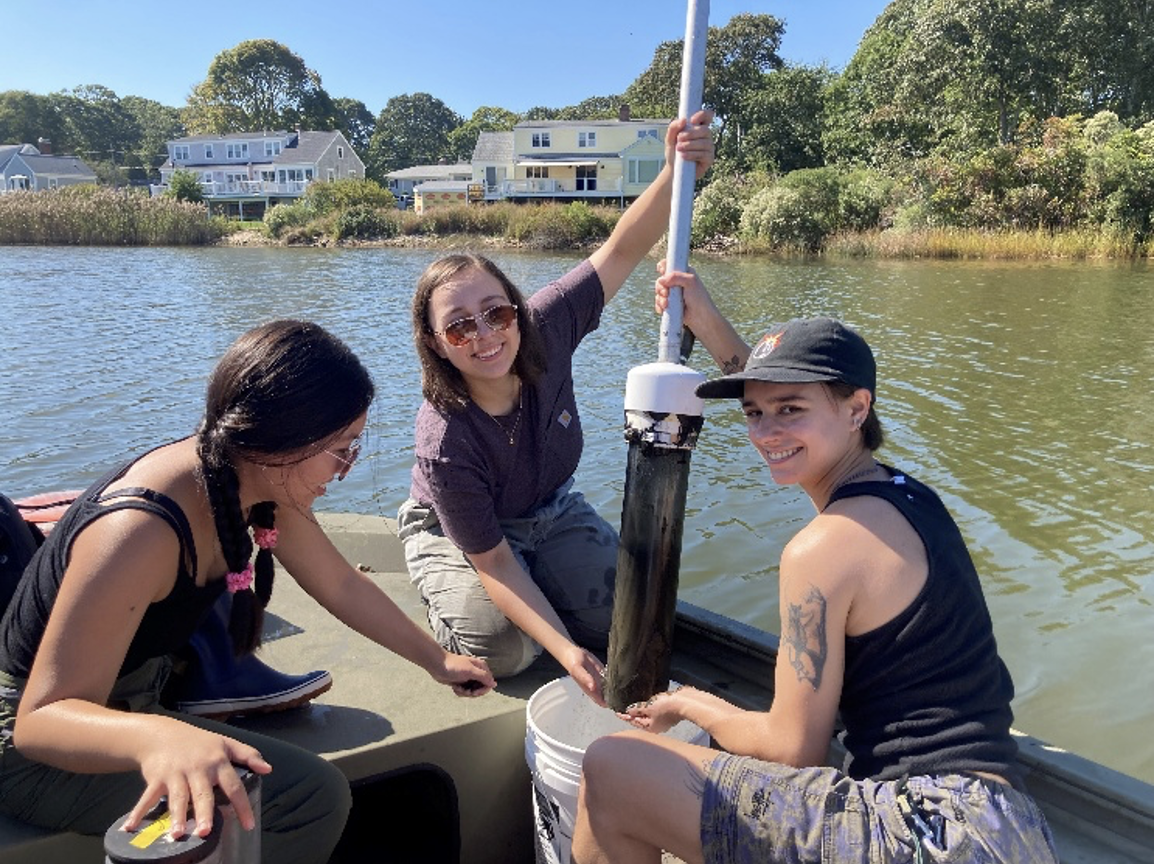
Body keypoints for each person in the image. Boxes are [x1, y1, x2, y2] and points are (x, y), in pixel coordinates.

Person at [569, 269, 1060, 863]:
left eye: (790, 410)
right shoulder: (909, 497)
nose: (767, 433)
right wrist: (708, 319)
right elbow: (785, 399)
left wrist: (686, 701)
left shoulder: (819, 550)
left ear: (858, 409)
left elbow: (790, 751)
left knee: (611, 768)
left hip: (928, 833)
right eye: (753, 414)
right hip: (1008, 825)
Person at [0, 320, 494, 864]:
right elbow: (40, 721)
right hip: (42, 751)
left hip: (139, 694)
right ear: (276, 442)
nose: (347, 467)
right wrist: (158, 740)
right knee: (310, 799)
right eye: (341, 448)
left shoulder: (255, 478)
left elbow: (340, 582)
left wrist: (437, 660)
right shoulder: (139, 532)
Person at [397, 111, 714, 705]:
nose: (486, 334)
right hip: (461, 533)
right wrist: (567, 653)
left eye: (497, 312)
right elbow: (492, 559)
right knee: (507, 651)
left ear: (517, 308)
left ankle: (548, 578)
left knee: (626, 619)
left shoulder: (546, 326)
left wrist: (673, 171)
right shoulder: (445, 439)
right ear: (436, 344)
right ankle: (443, 597)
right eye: (459, 326)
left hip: (550, 509)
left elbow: (619, 252)